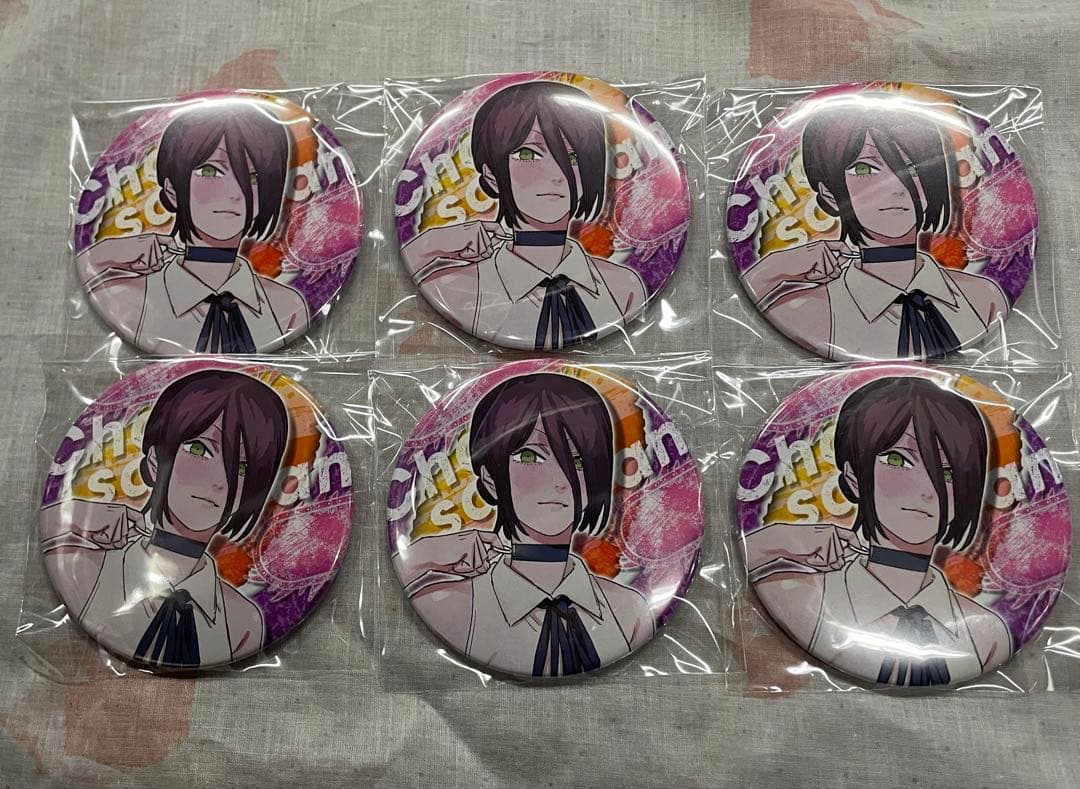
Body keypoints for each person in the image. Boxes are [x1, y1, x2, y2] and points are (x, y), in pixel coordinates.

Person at [743, 377, 1012, 686]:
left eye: (947, 471)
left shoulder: (987, 635)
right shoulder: (798, 599)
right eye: (898, 459)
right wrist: (777, 540)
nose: (927, 488)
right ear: (854, 477)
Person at [393, 373, 654, 677]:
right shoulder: (452, 605)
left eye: (578, 461)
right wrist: (427, 553)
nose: (560, 479)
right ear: (490, 477)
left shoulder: (630, 611)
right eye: (530, 456)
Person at [41, 369, 290, 668]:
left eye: (241, 468)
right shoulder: (83, 570)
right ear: (155, 460)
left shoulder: (243, 623)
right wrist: (83, 513)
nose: (220, 481)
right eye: (200, 449)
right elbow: (44, 528)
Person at [742, 101, 1008, 360]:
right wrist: (781, 265)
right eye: (864, 168)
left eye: (912, 167)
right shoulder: (812, 312)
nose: (894, 187)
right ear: (830, 193)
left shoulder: (984, 299)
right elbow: (747, 296)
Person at [400, 81, 647, 350]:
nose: (556, 173)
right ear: (492, 175)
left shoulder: (624, 287)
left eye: (573, 156)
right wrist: (436, 242)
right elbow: (408, 263)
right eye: (528, 153)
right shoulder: (457, 289)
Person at [77, 102, 309, 353]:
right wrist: (111, 252)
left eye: (252, 177)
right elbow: (86, 269)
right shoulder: (130, 300)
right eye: (210, 171)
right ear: (172, 190)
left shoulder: (287, 306)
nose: (235, 192)